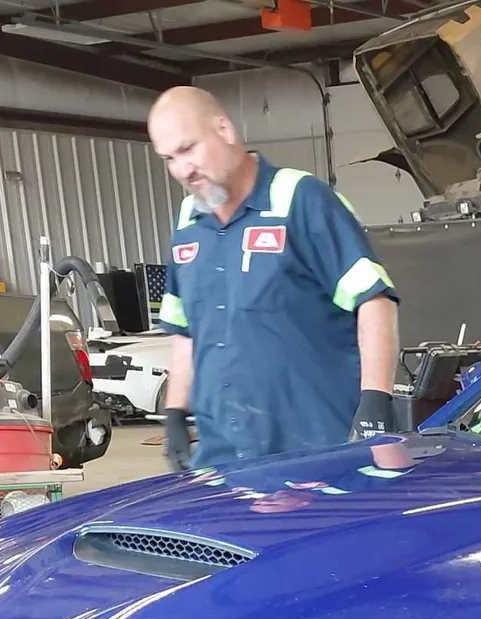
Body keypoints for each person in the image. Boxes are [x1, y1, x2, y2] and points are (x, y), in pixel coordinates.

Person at [146, 86, 400, 470]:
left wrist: (376, 402)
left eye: (188, 149)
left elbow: (374, 301)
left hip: (318, 450)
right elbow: (185, 331)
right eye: (169, 158)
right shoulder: (187, 224)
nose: (183, 170)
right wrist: (176, 413)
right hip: (223, 456)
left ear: (224, 129)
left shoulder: (301, 200)